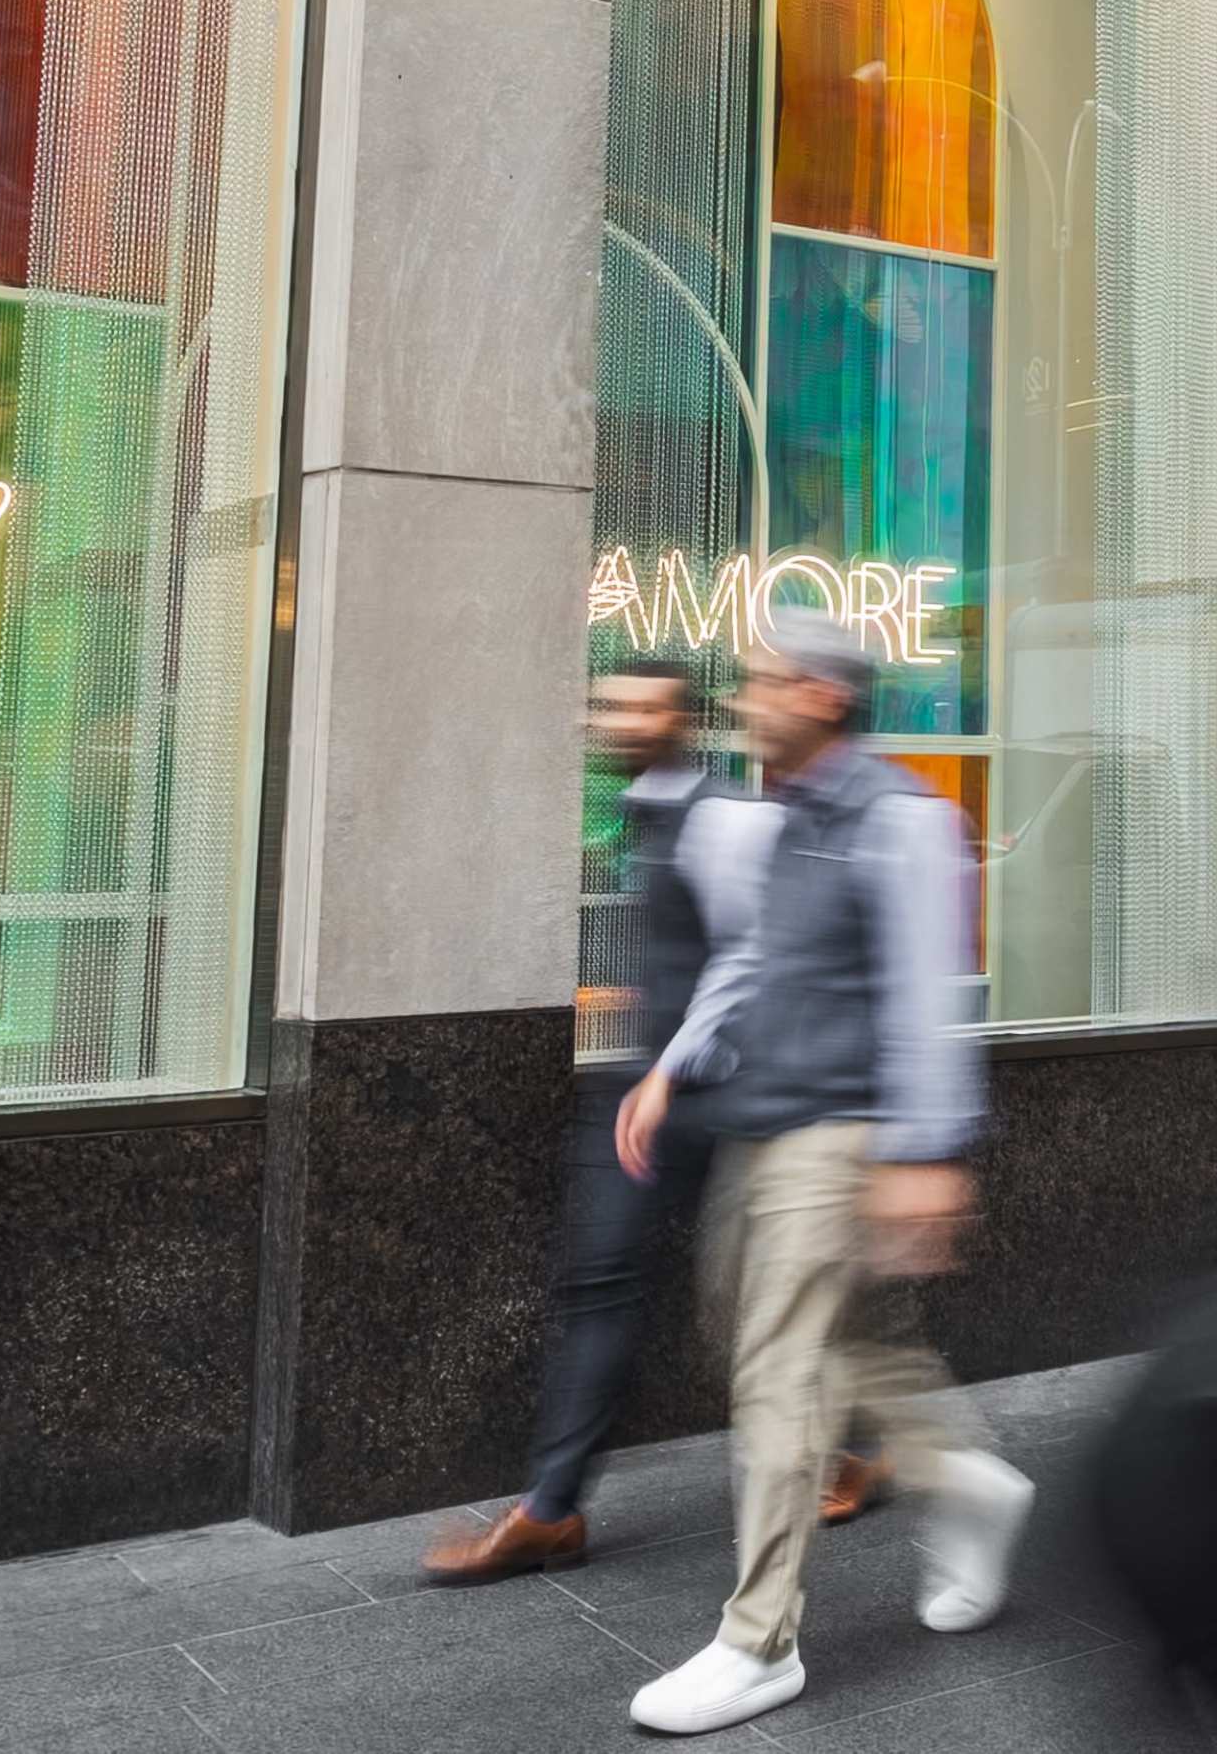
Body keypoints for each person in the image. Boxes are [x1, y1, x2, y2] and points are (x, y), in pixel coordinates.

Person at [610, 618, 1035, 1736]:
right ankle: (971, 1480)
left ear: (823, 698)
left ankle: (759, 1643)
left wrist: (924, 1151)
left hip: (841, 1131)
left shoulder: (903, 820)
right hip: (764, 1116)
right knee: (846, 1340)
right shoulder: (778, 821)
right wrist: (675, 1063)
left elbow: (932, 993)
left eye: (763, 684)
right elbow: (750, 957)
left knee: (780, 1371)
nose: (744, 699)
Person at [421, 656, 721, 1583]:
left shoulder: (720, 819)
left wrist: (676, 1067)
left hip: (717, 1089)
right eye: (610, 704)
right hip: (646, 1087)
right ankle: (550, 1510)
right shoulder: (633, 814)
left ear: (685, 720)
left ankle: (873, 1437)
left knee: (771, 1291)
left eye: (643, 706)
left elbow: (750, 962)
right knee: (597, 1281)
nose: (620, 719)